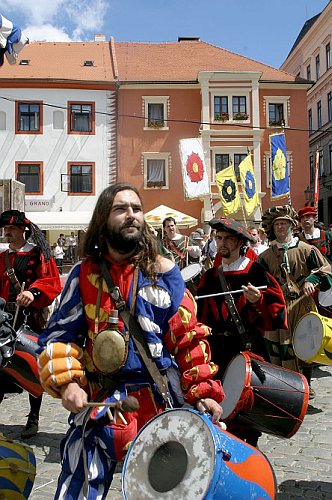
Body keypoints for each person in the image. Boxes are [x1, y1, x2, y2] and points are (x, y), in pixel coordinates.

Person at [37, 183, 224, 499]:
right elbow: (60, 335)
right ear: (103, 220)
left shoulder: (165, 273)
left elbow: (187, 338)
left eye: (136, 209)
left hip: (160, 404)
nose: (131, 215)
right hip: (102, 401)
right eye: (120, 209)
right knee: (77, 489)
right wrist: (68, 382)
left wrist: (202, 392)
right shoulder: (84, 274)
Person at [196, 217, 287, 446]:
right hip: (218, 352)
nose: (222, 243)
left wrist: (259, 301)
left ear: (239, 242)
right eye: (218, 238)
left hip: (247, 349)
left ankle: (250, 456)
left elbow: (276, 314)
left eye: (227, 238)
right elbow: (200, 319)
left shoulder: (255, 272)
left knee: (247, 412)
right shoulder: (209, 277)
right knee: (220, 410)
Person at [258, 205, 332, 399]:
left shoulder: (307, 249)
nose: (280, 227)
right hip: (279, 308)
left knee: (304, 345)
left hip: (302, 305)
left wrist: (312, 280)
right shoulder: (265, 256)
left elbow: (326, 271)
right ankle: (287, 389)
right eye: (277, 224)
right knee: (279, 348)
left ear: (292, 226)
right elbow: (257, 281)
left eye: (284, 223)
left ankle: (305, 385)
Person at [0, 210, 61, 438]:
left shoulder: (38, 254)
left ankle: (33, 417)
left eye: (13, 228)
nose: (8, 232)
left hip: (30, 319)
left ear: (23, 230)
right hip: (4, 319)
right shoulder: (2, 257)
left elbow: (52, 282)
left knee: (32, 365)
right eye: (6, 229)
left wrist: (34, 293)